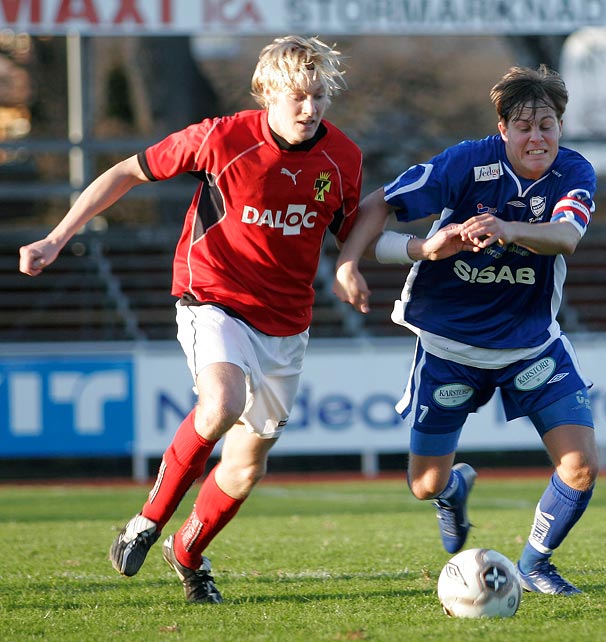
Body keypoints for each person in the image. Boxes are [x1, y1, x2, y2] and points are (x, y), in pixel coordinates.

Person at [19, 35, 362, 604]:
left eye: (319, 96)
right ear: (266, 94)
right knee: (221, 405)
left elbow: (355, 234)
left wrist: (413, 251)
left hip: (286, 321)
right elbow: (124, 173)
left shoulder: (342, 157)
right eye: (298, 96)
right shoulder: (221, 137)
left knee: (247, 466)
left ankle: (187, 553)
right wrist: (58, 237)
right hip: (214, 295)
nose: (310, 109)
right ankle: (146, 522)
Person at [333, 65, 598, 596]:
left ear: (560, 128)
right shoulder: (465, 162)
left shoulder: (574, 172)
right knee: (424, 483)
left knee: (581, 467)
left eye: (547, 124)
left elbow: (566, 236)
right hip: (448, 348)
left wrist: (505, 228)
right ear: (502, 129)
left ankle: (534, 564)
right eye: (523, 126)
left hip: (530, 346)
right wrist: (352, 265)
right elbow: (381, 204)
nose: (537, 137)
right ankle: (453, 490)